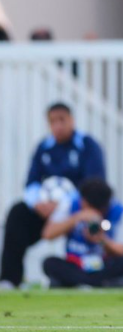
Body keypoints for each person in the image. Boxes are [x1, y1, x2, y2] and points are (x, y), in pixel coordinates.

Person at [0, 103, 106, 289]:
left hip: (78, 209)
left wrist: (64, 203)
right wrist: (38, 203)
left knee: (93, 220)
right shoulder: (44, 147)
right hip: (47, 210)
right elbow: (31, 183)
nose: (58, 126)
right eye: (52, 122)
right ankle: (10, 279)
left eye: (62, 120)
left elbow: (95, 186)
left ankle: (91, 276)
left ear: (71, 120)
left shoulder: (88, 146)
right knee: (17, 213)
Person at [42, 178, 123, 288]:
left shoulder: (120, 212)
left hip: (102, 264)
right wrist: (77, 218)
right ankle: (99, 284)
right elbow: (48, 234)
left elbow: (122, 250)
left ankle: (79, 283)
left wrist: (102, 239)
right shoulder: (70, 205)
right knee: (49, 263)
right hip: (76, 264)